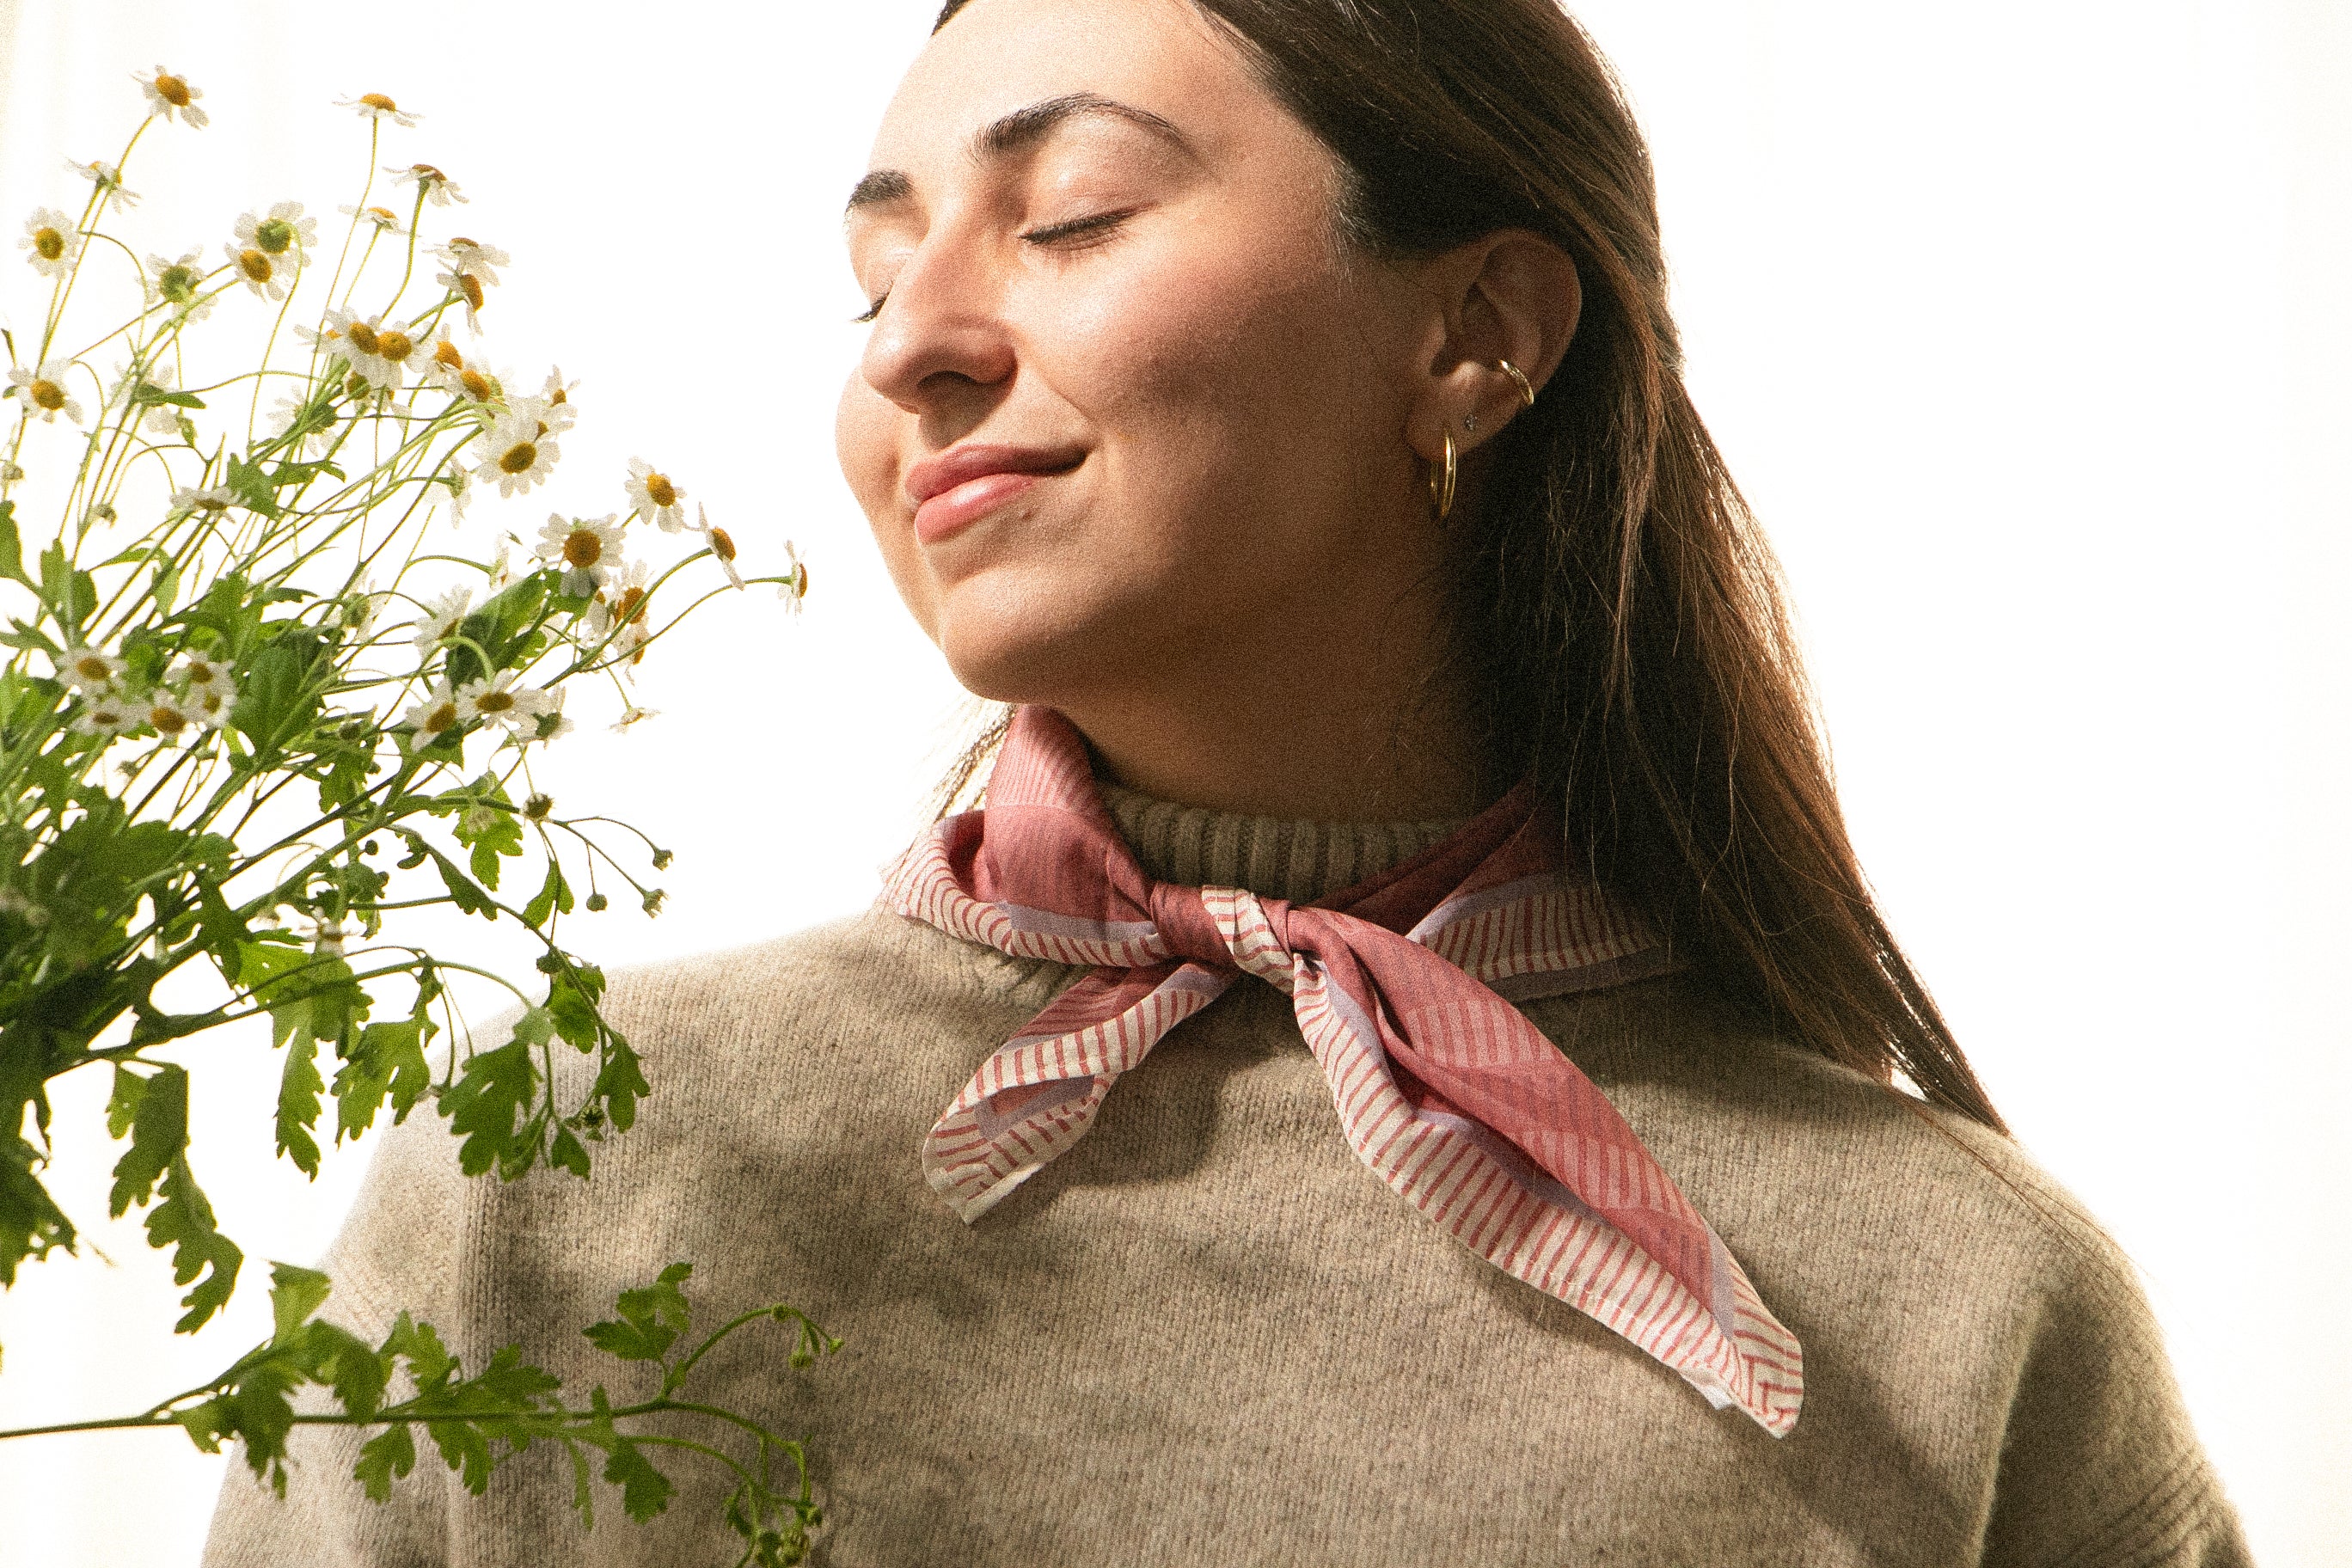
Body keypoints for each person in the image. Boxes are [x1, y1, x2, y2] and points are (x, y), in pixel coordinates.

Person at [205, 0, 2249, 1562]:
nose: (911, 341)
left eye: (1071, 215)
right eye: (873, 271)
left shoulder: (1955, 1303)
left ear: (1475, 335)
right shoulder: (565, 1170)